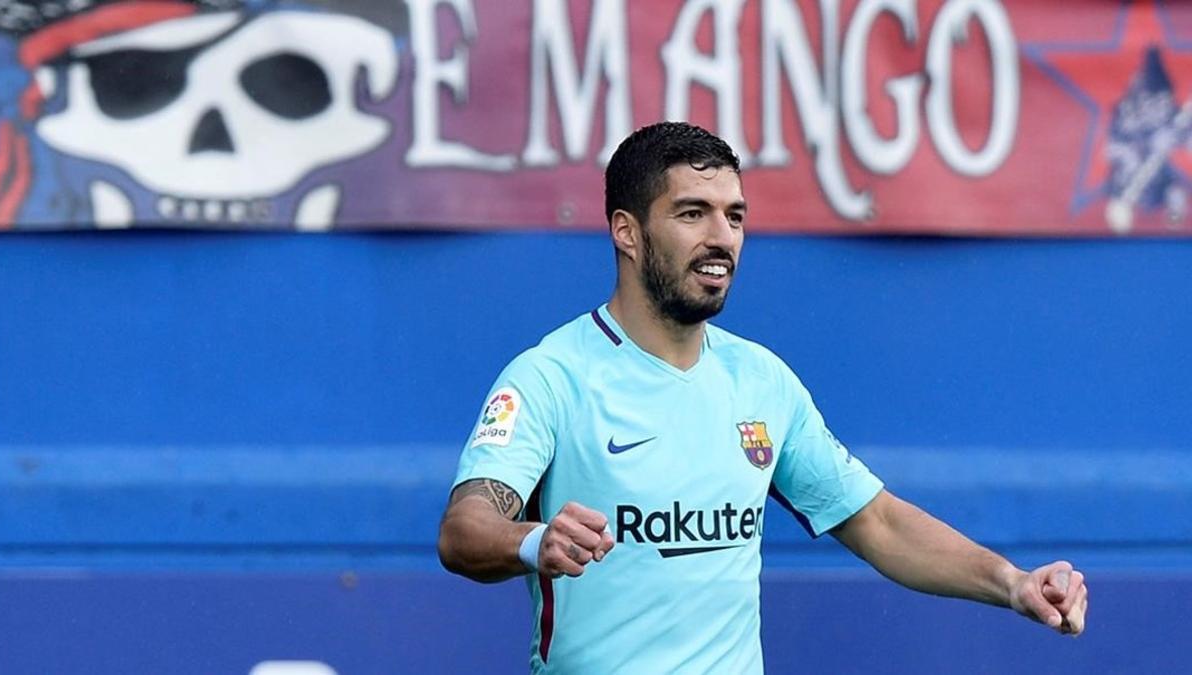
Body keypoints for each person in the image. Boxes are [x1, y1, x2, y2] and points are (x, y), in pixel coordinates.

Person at [436, 121, 1088, 673]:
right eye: (693, 213)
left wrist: (1013, 582)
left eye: (735, 216)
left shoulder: (761, 381)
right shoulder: (552, 376)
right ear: (626, 232)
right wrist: (534, 540)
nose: (722, 237)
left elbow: (878, 521)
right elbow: (465, 529)